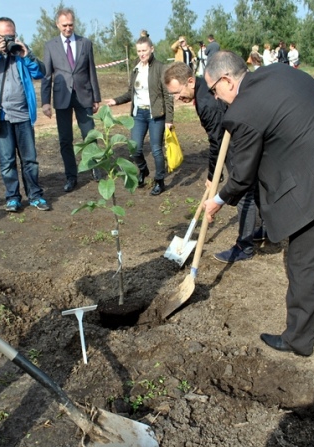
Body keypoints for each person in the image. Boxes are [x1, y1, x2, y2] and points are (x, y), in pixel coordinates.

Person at [203, 51, 314, 357]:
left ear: (226, 80)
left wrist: (218, 200)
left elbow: (243, 176)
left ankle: (298, 339)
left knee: (304, 262)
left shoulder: (242, 111)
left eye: (213, 90)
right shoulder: (281, 73)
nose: (216, 99)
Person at [164, 61, 266, 262]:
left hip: (237, 144)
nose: (176, 99)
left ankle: (244, 247)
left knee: (244, 192)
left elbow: (217, 142)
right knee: (256, 186)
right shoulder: (205, 88)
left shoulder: (206, 103)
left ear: (190, 81)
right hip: (244, 136)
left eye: (177, 92)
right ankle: (266, 230)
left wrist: (213, 176)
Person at [0, 17, 50, 213]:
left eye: (12, 36)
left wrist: (27, 55)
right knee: (7, 161)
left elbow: (41, 72)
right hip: (1, 116)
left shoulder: (19, 49)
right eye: (5, 36)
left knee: (29, 159)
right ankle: (13, 197)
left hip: (23, 115)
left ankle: (35, 195)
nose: (8, 40)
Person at [41, 7, 102, 193]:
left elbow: (92, 70)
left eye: (71, 25)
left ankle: (96, 169)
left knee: (90, 136)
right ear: (58, 25)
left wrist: (96, 97)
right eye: (64, 25)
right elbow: (46, 76)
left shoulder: (85, 43)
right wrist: (45, 101)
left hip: (84, 96)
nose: (68, 28)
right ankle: (71, 176)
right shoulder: (50, 46)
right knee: (65, 140)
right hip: (62, 98)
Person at [107, 36, 173, 196]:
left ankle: (159, 181)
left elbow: (168, 95)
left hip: (156, 115)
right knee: (134, 148)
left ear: (152, 49)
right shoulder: (136, 69)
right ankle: (143, 171)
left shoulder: (160, 68)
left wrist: (169, 120)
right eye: (139, 51)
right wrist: (116, 100)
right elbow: (131, 92)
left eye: (144, 50)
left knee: (156, 149)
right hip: (139, 114)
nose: (142, 54)